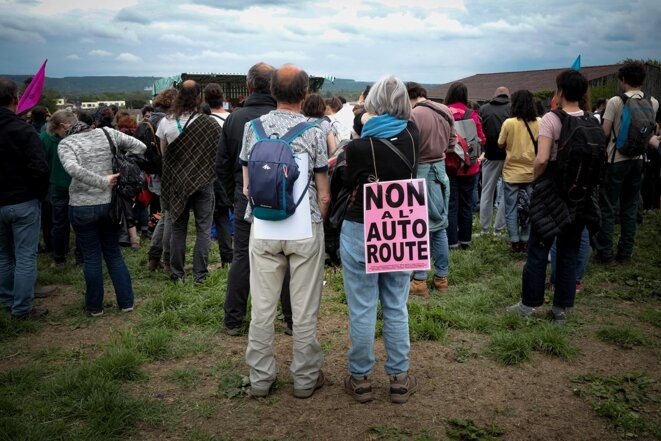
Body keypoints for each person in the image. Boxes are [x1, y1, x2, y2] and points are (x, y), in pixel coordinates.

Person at [240, 64, 330, 399]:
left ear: (272, 92)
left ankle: (261, 378)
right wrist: (318, 218)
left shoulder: (253, 128)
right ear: (305, 94)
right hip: (304, 227)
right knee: (304, 309)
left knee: (262, 308)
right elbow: (323, 191)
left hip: (263, 226)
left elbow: (247, 185)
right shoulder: (315, 132)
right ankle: (305, 379)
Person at [341, 75, 420, 404]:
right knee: (396, 305)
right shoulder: (413, 135)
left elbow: (345, 179)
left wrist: (363, 116)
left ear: (371, 105)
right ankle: (399, 378)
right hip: (402, 226)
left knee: (362, 309)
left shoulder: (358, 147)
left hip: (361, 227)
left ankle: (360, 378)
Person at [507, 69, 602, 325]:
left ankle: (529, 304)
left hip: (551, 194)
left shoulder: (551, 119)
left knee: (538, 250)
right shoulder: (593, 120)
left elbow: (542, 158)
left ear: (559, 91)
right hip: (579, 197)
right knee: (569, 252)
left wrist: (536, 178)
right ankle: (561, 308)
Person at [216, 63, 294, 337]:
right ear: (273, 87)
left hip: (245, 196)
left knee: (242, 258)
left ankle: (233, 320)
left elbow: (223, 164)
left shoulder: (235, 119)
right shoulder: (286, 117)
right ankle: (291, 320)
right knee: (286, 256)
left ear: (248, 86)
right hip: (283, 199)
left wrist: (234, 195)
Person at [58, 119, 146, 316]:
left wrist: (100, 181)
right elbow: (141, 146)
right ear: (91, 126)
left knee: (91, 257)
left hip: (82, 205)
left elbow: (72, 168)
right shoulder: (108, 133)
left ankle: (95, 307)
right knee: (113, 253)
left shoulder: (66, 144)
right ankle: (126, 302)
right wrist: (120, 166)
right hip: (111, 204)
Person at [594, 61, 659, 263]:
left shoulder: (615, 101)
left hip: (616, 158)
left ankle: (605, 253)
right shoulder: (653, 102)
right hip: (639, 158)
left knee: (609, 206)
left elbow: (605, 132)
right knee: (631, 207)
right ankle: (625, 253)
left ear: (623, 80)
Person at [159, 80, 221, 283]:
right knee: (203, 228)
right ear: (198, 97)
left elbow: (164, 155)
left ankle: (177, 274)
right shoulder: (209, 123)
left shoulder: (166, 122)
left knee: (178, 228)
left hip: (177, 184)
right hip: (204, 182)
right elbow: (217, 154)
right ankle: (200, 274)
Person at [0, 78, 50, 319]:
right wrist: (39, 195)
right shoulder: (23, 129)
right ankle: (21, 308)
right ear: (15, 99)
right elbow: (40, 168)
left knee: (3, 255)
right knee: (25, 256)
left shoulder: (23, 127)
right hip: (23, 201)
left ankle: (7, 299)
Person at [406, 81, 453, 297]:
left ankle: (420, 280)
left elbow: (409, 148)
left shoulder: (414, 115)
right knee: (439, 226)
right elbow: (453, 143)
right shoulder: (445, 110)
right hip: (441, 171)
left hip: (421, 172)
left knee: (419, 229)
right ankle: (441, 278)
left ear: (410, 97)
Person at [497, 90, 540, 252]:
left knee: (511, 208)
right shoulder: (540, 122)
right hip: (532, 172)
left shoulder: (509, 123)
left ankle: (514, 240)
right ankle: (526, 239)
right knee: (531, 208)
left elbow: (500, 144)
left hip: (511, 172)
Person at [444, 82, 485, 249]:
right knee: (467, 205)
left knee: (451, 205)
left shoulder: (445, 113)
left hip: (450, 165)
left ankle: (452, 241)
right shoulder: (472, 114)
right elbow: (481, 139)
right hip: (470, 166)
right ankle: (466, 241)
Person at [40, 109, 79, 266]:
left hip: (75, 186)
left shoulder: (45, 138)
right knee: (60, 223)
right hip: (58, 188)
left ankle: (79, 256)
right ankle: (59, 256)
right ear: (61, 126)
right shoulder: (44, 139)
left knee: (75, 223)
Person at [145, 88, 177, 272]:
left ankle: (153, 258)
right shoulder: (166, 120)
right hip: (167, 173)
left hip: (154, 173)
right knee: (170, 217)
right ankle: (168, 261)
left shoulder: (150, 119)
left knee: (165, 216)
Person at [204, 83, 233, 266]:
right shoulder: (232, 119)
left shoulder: (203, 121)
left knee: (206, 219)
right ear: (223, 97)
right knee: (225, 215)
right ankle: (228, 257)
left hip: (208, 174)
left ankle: (202, 262)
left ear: (205, 100)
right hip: (228, 173)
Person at [478, 87, 510, 236]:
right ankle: (499, 229)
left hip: (490, 156)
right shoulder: (512, 109)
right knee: (505, 193)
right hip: (509, 157)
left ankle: (484, 229)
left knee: (486, 192)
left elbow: (480, 133)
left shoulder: (484, 109)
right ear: (508, 96)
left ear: (494, 95)